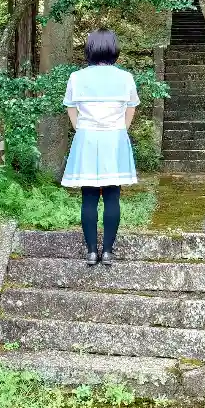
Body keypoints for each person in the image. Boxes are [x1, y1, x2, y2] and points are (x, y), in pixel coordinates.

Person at [61, 28, 140, 266]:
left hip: (87, 138)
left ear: (90, 49)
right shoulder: (125, 77)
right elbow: (131, 109)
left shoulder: (76, 77)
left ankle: (91, 252)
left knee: (89, 197)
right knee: (112, 196)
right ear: (114, 48)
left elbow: (71, 109)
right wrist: (120, 130)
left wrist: (82, 129)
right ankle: (107, 252)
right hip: (115, 138)